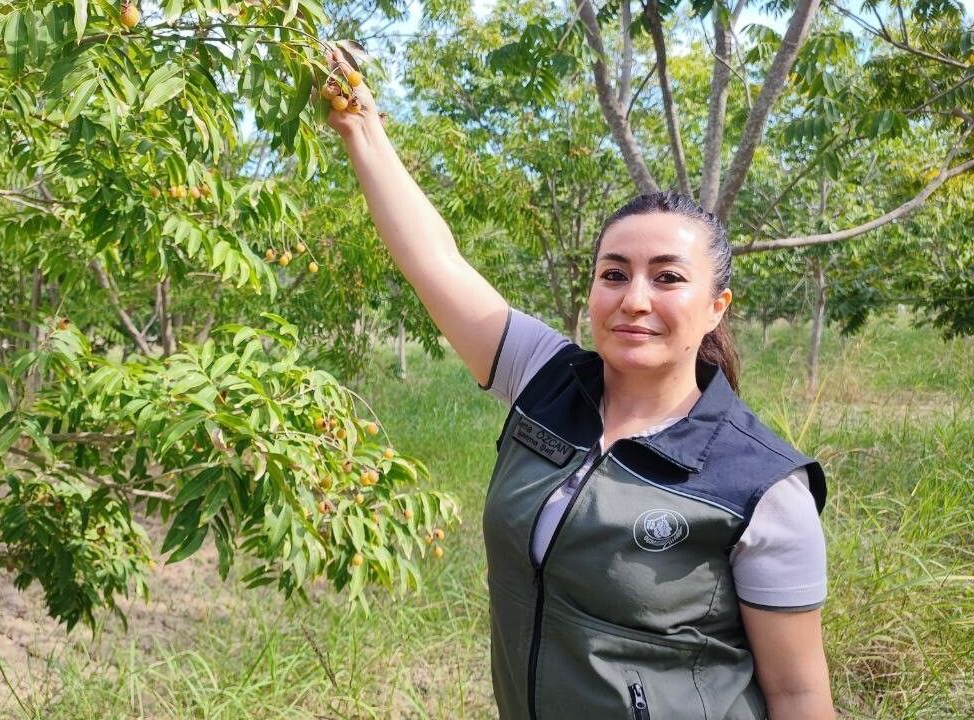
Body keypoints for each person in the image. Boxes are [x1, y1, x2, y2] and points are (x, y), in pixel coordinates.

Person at [325, 59, 837, 720]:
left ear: (717, 306)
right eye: (615, 273)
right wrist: (362, 130)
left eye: (668, 277)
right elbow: (436, 262)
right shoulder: (545, 379)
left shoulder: (759, 485)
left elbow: (798, 695)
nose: (635, 299)